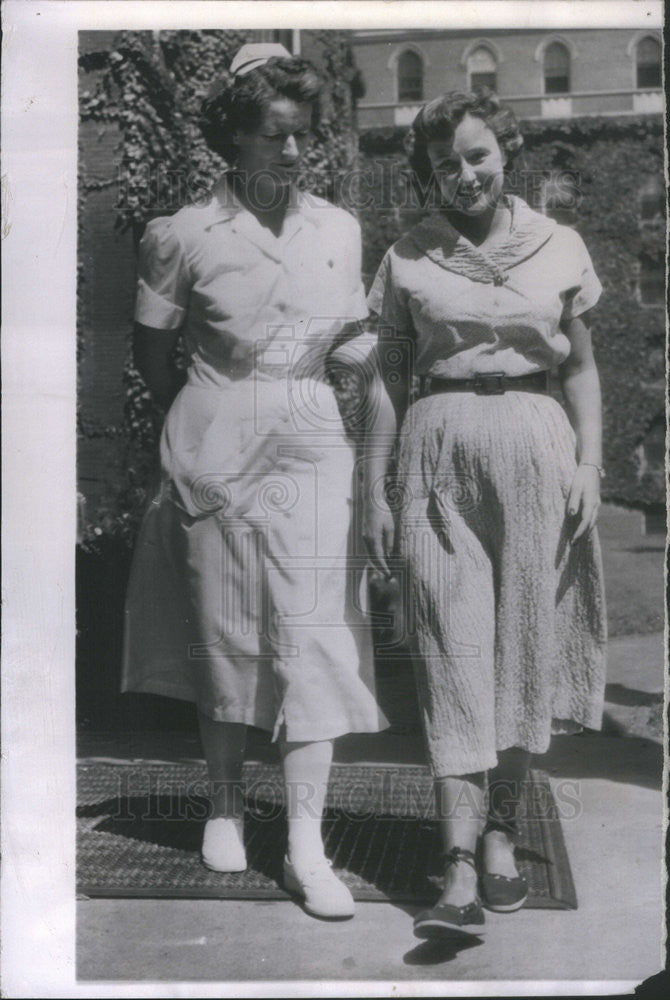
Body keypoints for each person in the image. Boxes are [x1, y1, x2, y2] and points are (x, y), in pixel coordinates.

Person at [122, 43, 388, 921]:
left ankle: (309, 845)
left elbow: (349, 346)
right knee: (226, 635)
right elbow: (153, 354)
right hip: (215, 437)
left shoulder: (339, 230)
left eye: (303, 137)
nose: (293, 154)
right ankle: (228, 803)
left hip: (314, 442)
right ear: (233, 138)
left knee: (315, 639)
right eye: (275, 136)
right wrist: (203, 424)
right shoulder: (183, 234)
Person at [366, 90, 607, 938]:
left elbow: (579, 369)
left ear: (505, 151)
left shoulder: (560, 244)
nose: (463, 175)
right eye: (444, 165)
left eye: (477, 156)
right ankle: (458, 859)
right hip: (438, 451)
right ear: (426, 175)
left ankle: (502, 831)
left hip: (539, 452)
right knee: (449, 648)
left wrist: (589, 461)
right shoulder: (406, 255)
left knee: (522, 651)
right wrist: (376, 489)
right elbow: (389, 379)